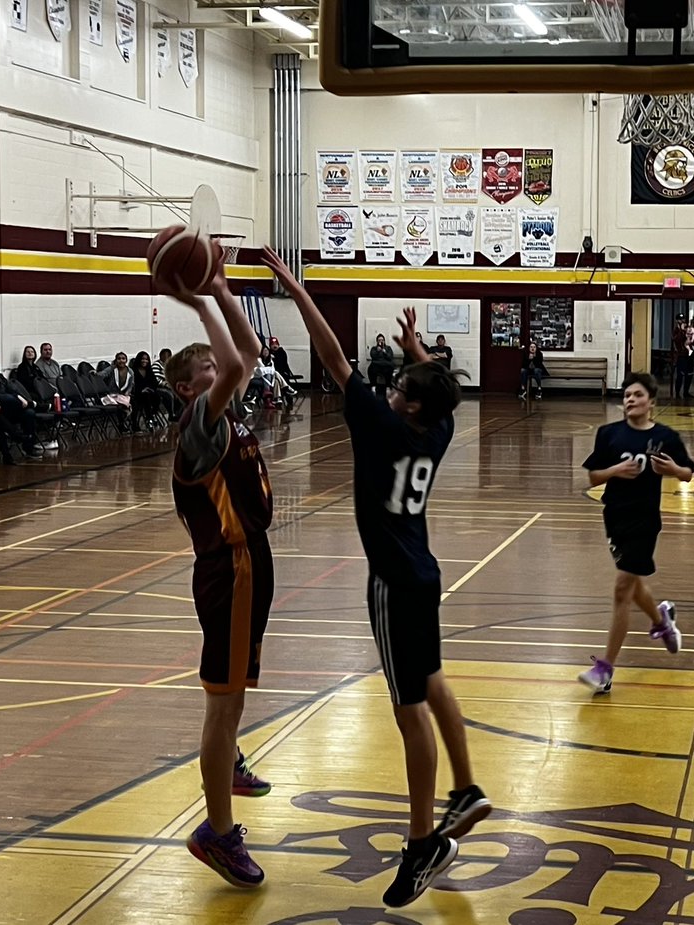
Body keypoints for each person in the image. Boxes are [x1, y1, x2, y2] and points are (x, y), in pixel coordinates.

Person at [261, 245, 490, 909]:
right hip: (424, 571)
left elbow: (332, 354)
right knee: (431, 680)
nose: (388, 389)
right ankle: (466, 788)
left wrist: (296, 289)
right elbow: (436, 386)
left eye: (398, 387)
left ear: (408, 405)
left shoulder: (385, 426)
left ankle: (423, 840)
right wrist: (420, 349)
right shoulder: (436, 428)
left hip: (392, 581)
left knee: (407, 707)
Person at [162, 248, 274, 889]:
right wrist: (201, 295)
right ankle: (217, 832)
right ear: (188, 388)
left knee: (231, 701)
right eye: (207, 369)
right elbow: (236, 359)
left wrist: (226, 287)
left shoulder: (223, 412)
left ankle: (227, 761)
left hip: (249, 564)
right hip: (228, 569)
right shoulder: (199, 425)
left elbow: (248, 351)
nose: (223, 370)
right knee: (222, 703)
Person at [579, 371, 694, 694]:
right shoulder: (608, 434)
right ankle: (661, 620)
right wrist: (615, 471)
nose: (630, 399)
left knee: (621, 589)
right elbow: (592, 478)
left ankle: (605, 669)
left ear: (651, 402)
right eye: (627, 395)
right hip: (615, 516)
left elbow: (687, 473)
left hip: (645, 520)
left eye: (638, 395)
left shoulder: (665, 436)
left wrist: (672, 470)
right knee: (633, 584)